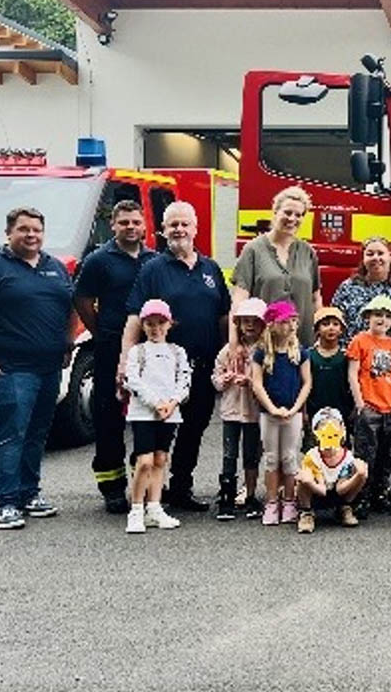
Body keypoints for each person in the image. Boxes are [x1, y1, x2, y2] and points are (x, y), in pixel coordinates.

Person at [0, 206, 75, 530]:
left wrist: (66, 344)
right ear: (9, 233)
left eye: (36, 229)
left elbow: (69, 307)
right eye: (24, 229)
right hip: (9, 370)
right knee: (11, 433)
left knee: (36, 433)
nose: (31, 235)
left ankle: (27, 493)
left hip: (49, 368)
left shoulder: (56, 268)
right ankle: (3, 503)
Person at [121, 201, 231, 512]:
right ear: (163, 230)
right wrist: (124, 361)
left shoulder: (210, 269)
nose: (179, 230)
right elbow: (134, 317)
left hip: (203, 367)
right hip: (160, 372)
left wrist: (228, 356)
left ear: (195, 229)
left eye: (185, 224)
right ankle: (146, 493)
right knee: (156, 431)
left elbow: (224, 316)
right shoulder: (153, 269)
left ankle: (181, 488)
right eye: (173, 225)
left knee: (194, 429)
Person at [73, 199, 157, 513]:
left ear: (144, 225)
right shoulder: (98, 260)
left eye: (136, 222)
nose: (130, 227)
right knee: (109, 417)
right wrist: (102, 331)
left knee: (147, 418)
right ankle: (112, 488)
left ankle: (144, 484)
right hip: (110, 348)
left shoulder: (154, 260)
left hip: (147, 352)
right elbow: (82, 299)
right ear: (114, 225)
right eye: (124, 223)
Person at [122, 299, 189, 534]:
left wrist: (172, 403)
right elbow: (133, 381)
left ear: (169, 324)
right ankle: (137, 509)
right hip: (143, 414)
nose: (155, 328)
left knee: (161, 459)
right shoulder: (137, 352)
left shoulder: (177, 351)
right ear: (143, 325)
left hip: (169, 414)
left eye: (161, 323)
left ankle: (155, 507)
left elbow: (184, 380)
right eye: (150, 323)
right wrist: (155, 403)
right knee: (144, 461)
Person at [230, 186, 322, 347]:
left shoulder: (308, 252)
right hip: (264, 345)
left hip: (302, 344)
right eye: (287, 212)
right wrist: (234, 340)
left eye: (299, 215)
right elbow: (239, 299)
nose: (292, 218)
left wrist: (320, 336)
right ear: (275, 212)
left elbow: (315, 299)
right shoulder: (253, 250)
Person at [251, 300, 312, 525]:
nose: (291, 326)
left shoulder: (301, 353)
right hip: (269, 414)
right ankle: (271, 502)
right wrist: (272, 408)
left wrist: (295, 408)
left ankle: (289, 500)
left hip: (292, 414)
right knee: (270, 458)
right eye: (285, 322)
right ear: (273, 325)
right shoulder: (261, 353)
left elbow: (307, 383)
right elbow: (257, 384)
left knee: (289, 457)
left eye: (293, 321)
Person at [346, 294, 391, 515]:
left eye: (387, 316)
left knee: (386, 453)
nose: (382, 320)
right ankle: (361, 496)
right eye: (377, 315)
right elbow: (352, 374)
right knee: (365, 452)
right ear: (368, 317)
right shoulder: (360, 341)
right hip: (369, 405)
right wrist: (360, 403)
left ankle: (381, 493)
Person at [211, 297, 267, 520]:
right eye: (245, 321)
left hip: (253, 411)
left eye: (255, 321)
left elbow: (269, 378)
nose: (250, 326)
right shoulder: (228, 350)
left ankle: (251, 494)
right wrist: (224, 380)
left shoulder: (264, 350)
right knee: (229, 453)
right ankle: (227, 496)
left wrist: (251, 382)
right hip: (232, 410)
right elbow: (215, 377)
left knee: (251, 455)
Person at [331, 236, 391, 347]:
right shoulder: (347, 287)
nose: (375, 258)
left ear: (390, 257)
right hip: (354, 355)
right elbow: (335, 320)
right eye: (370, 254)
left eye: (380, 253)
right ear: (363, 259)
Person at [296, 408, 367, 532]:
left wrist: (359, 475)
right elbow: (322, 490)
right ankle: (306, 513)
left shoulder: (347, 457)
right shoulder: (312, 456)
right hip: (317, 492)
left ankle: (344, 507)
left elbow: (341, 489)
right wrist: (308, 482)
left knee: (361, 472)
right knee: (302, 479)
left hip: (338, 492)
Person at [305, 306, 354, 436]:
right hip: (314, 410)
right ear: (317, 330)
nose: (331, 328)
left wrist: (353, 409)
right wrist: (303, 411)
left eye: (335, 324)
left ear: (341, 329)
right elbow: (304, 384)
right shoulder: (309, 355)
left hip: (342, 411)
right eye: (325, 324)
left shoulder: (347, 356)